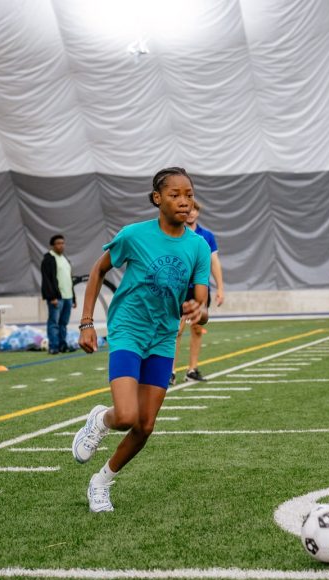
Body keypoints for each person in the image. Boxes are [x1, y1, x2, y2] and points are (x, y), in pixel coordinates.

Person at [71, 167, 211, 512]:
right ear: (157, 199)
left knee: (145, 425)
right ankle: (102, 419)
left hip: (163, 338)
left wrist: (199, 309)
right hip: (128, 330)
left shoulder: (198, 247)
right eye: (175, 194)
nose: (184, 201)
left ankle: (101, 482)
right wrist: (86, 322)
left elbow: (201, 299)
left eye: (189, 194)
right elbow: (99, 270)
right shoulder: (133, 235)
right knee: (126, 415)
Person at [171, 199, 224, 384]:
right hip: (180, 289)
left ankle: (192, 369)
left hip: (200, 289)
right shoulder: (176, 233)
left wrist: (220, 288)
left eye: (195, 210)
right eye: (189, 209)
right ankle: (170, 371)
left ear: (198, 213)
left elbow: (214, 262)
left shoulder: (206, 236)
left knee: (197, 329)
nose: (191, 213)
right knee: (175, 330)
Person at [41, 234, 76, 354]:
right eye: (58, 243)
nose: (61, 245)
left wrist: (74, 298)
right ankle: (53, 347)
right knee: (54, 323)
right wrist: (52, 297)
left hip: (68, 297)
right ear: (53, 245)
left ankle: (63, 345)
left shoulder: (65, 259)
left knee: (63, 324)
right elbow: (47, 280)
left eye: (63, 243)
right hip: (57, 298)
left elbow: (69, 280)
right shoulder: (49, 259)